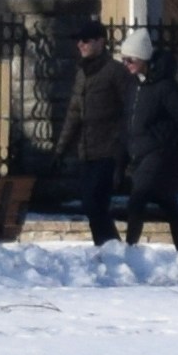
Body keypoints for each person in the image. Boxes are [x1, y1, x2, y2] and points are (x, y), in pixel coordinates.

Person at [114, 45, 178, 252]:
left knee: (138, 198)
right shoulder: (134, 86)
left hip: (163, 154)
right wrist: (121, 162)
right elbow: (127, 126)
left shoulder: (165, 87)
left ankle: (130, 250)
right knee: (169, 204)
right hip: (140, 154)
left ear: (144, 59)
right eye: (123, 60)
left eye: (131, 60)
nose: (126, 64)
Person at [54, 31, 130, 245]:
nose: (81, 44)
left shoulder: (115, 71)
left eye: (86, 40)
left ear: (100, 42)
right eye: (78, 40)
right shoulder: (83, 72)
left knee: (95, 203)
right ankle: (106, 246)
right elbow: (74, 114)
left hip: (108, 151)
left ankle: (111, 246)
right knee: (90, 205)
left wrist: (123, 149)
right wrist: (61, 149)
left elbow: (129, 111)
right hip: (86, 151)